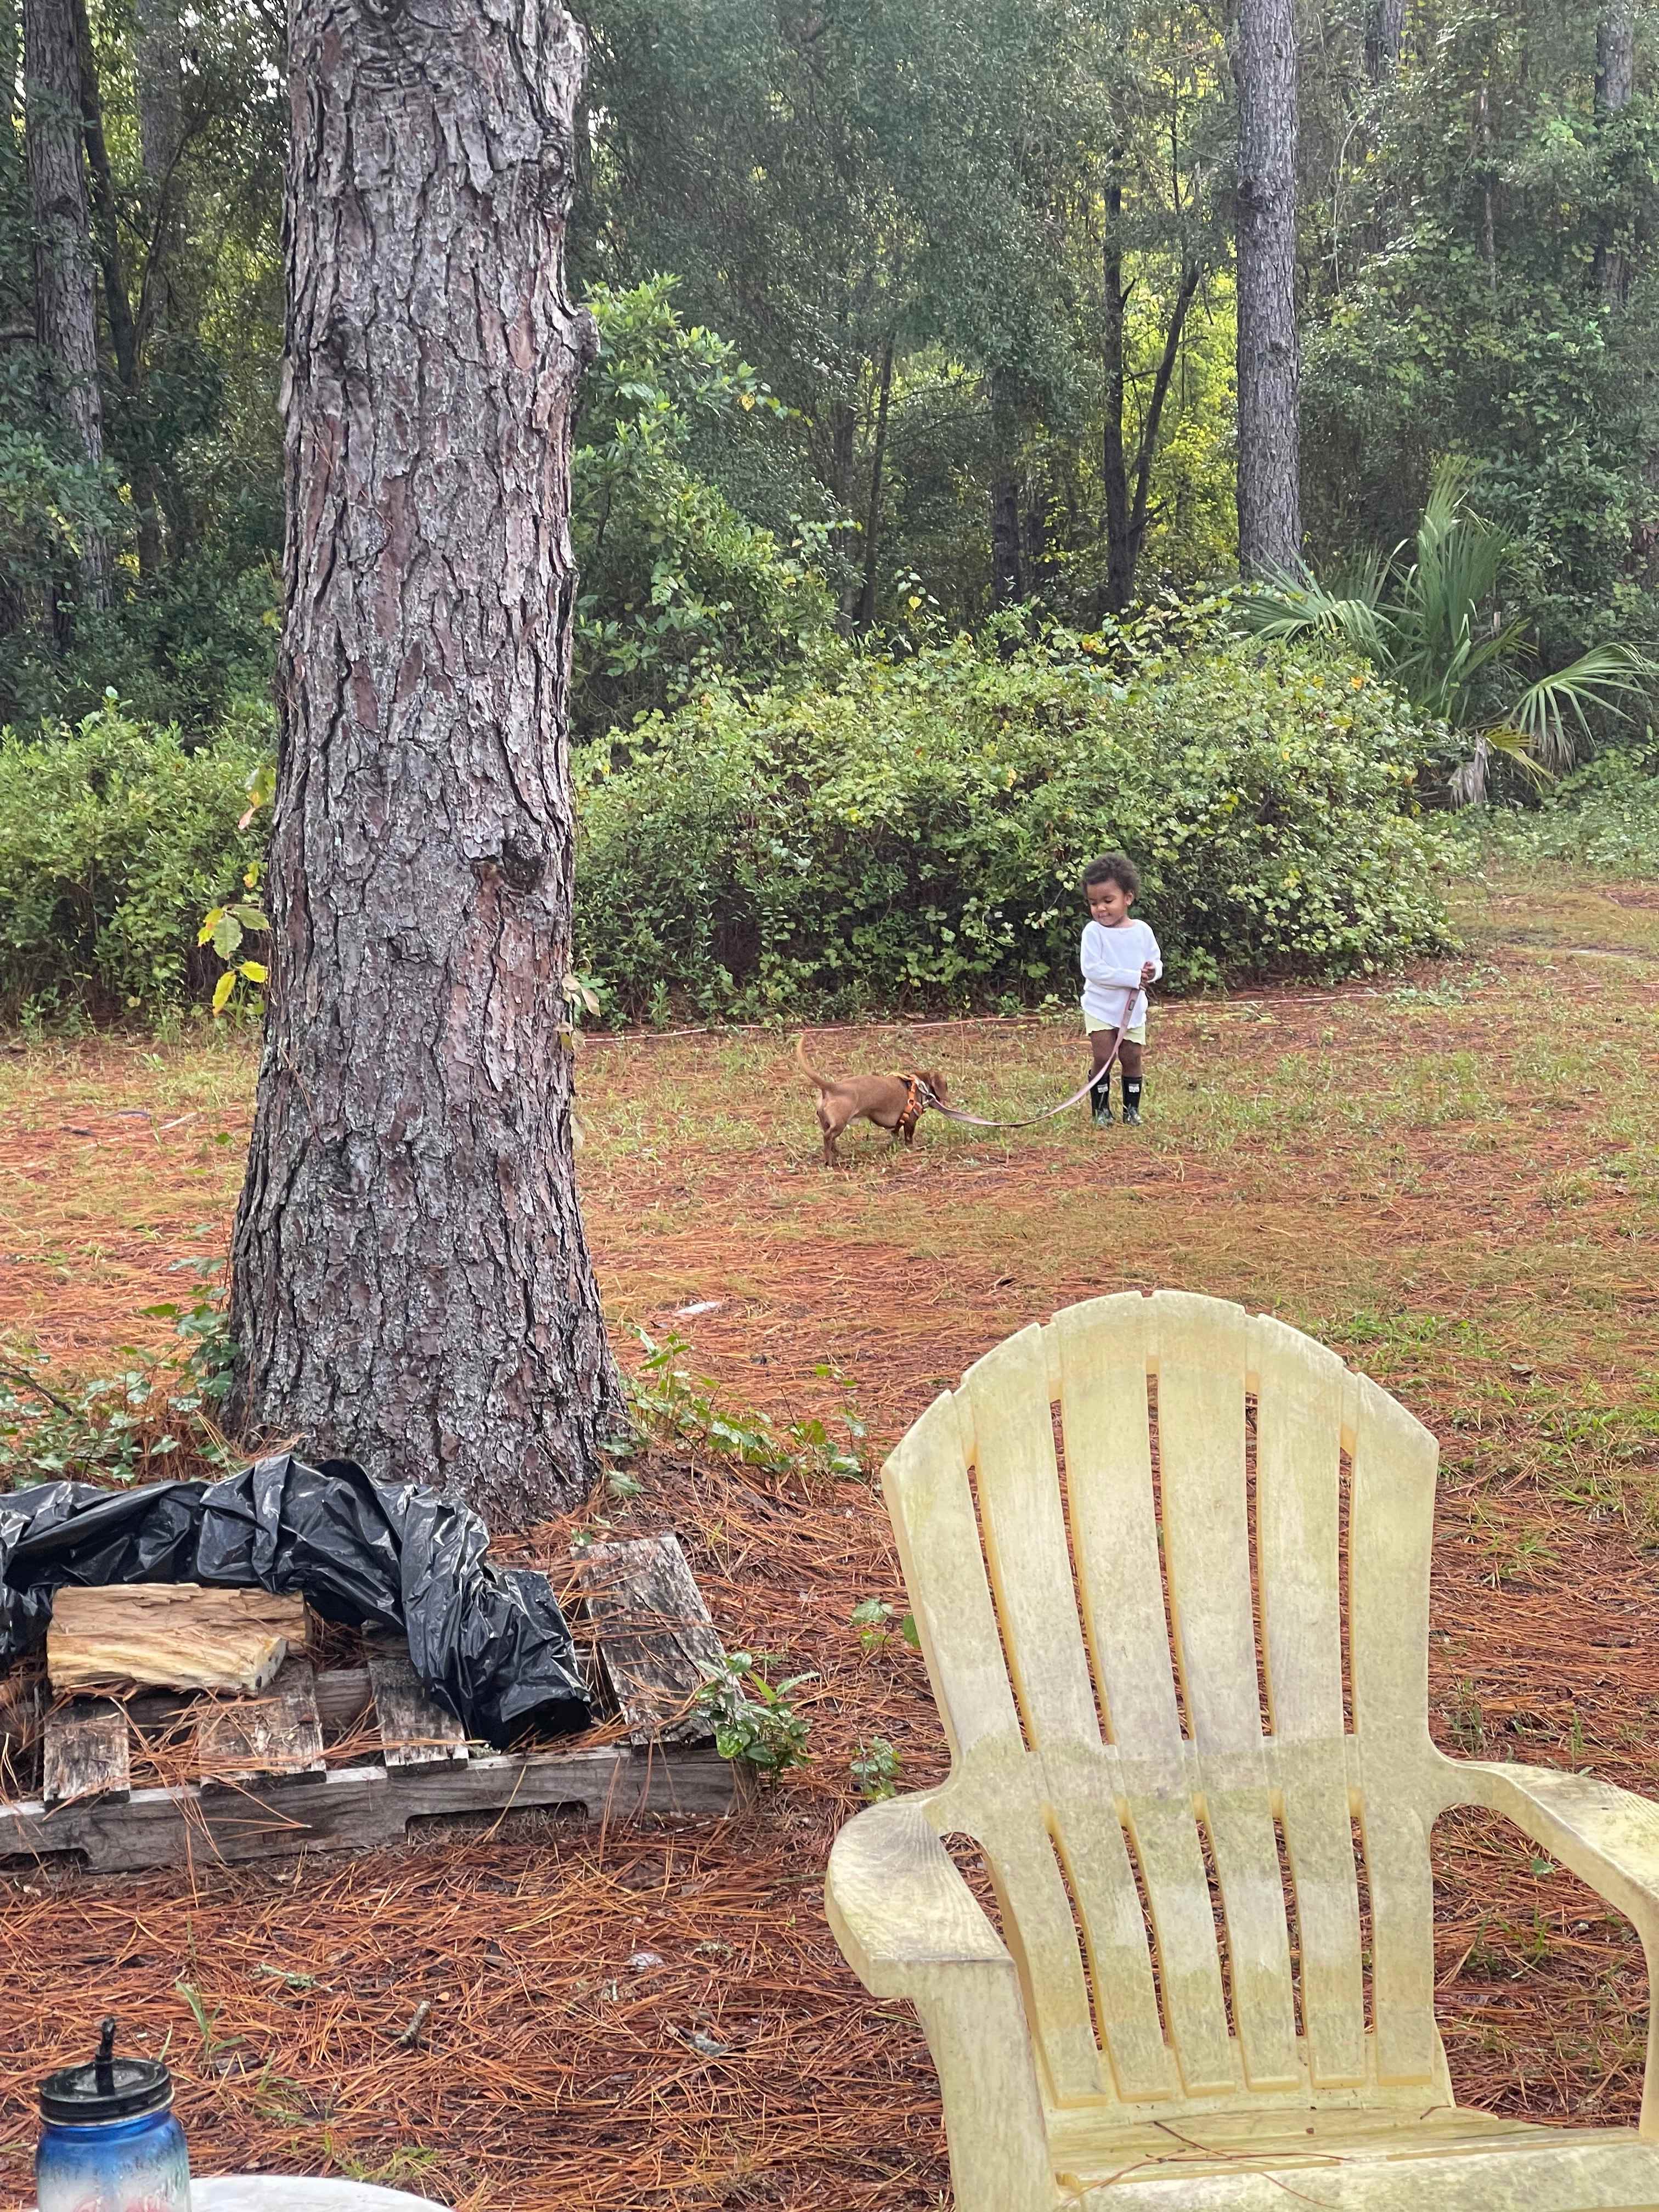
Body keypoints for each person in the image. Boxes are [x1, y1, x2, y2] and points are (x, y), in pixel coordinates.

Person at [1080, 853, 1161, 1127]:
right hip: (1101, 1007)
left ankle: (1131, 1110)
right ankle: (1101, 1111)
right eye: (1093, 903)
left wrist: (1152, 973)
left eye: (1107, 901)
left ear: (1128, 897)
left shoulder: (1142, 931)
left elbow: (1155, 962)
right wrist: (1132, 977)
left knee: (1132, 1057)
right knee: (1104, 1056)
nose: (1100, 909)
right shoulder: (1093, 932)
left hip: (1133, 1010)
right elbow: (1093, 970)